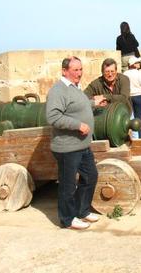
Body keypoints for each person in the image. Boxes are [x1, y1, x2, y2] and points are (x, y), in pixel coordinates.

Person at [46, 56, 107, 230]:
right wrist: (78, 125)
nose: (79, 73)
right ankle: (67, 219)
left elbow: (76, 105)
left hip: (82, 145)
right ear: (64, 71)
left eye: (81, 69)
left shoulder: (74, 87)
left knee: (90, 176)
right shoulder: (58, 90)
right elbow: (53, 116)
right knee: (68, 184)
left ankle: (82, 211)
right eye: (75, 70)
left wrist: (93, 103)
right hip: (67, 147)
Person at [123, 56, 141, 139]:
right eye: (137, 63)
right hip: (139, 96)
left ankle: (134, 136)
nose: (138, 64)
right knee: (139, 117)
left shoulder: (125, 74)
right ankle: (139, 137)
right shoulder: (139, 73)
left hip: (129, 97)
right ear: (133, 64)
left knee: (131, 117)